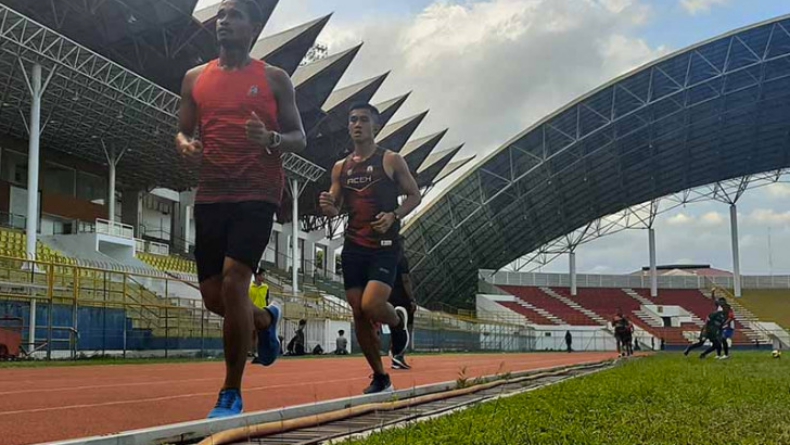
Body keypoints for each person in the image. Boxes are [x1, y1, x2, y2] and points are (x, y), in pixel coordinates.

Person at [175, 0, 306, 419]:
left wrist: (269, 138)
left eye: (234, 14)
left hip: (257, 190)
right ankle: (266, 322)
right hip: (212, 192)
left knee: (234, 283)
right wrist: (187, 145)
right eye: (220, 14)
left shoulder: (273, 78)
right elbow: (182, 129)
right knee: (215, 297)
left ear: (253, 26)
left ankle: (230, 392)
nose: (223, 21)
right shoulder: (195, 78)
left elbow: (298, 137)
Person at [319, 103, 422, 394]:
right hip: (353, 247)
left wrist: (394, 215)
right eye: (353, 120)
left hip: (384, 245)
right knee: (359, 312)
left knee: (371, 305)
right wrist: (327, 205)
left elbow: (414, 195)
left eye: (364, 120)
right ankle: (380, 376)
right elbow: (334, 205)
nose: (357, 124)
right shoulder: (341, 168)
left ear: (375, 126)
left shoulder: (391, 160)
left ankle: (397, 323)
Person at [389, 250, 417, 369]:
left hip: (389, 296)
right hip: (402, 297)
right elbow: (405, 279)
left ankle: (394, 351)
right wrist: (411, 299)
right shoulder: (402, 258)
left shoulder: (385, 256)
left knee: (395, 326)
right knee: (406, 326)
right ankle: (399, 355)